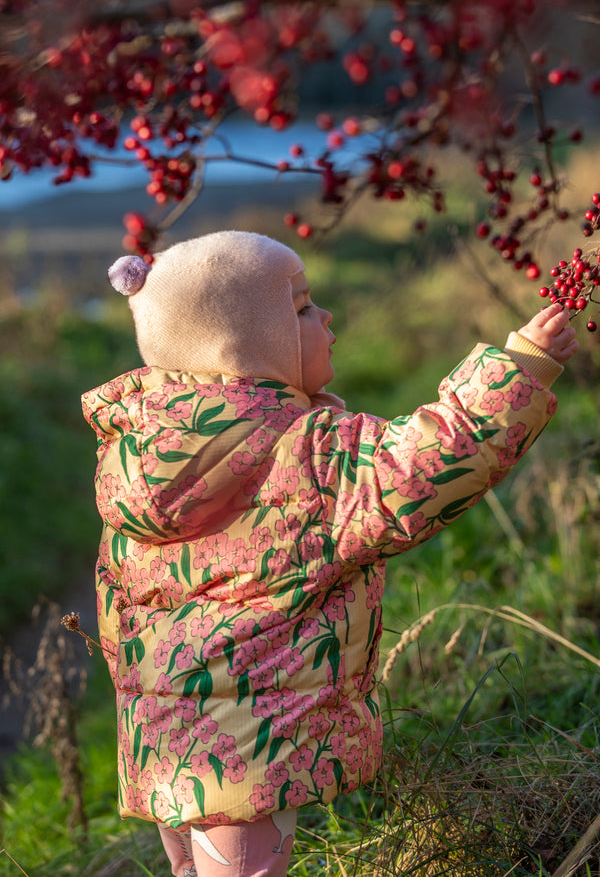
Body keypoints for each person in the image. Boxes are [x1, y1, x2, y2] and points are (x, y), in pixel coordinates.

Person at [81, 230, 578, 877]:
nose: (326, 317)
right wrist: (520, 367)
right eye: (303, 309)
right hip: (251, 742)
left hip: (163, 740)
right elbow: (421, 469)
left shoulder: (139, 448)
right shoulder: (305, 451)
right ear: (243, 348)